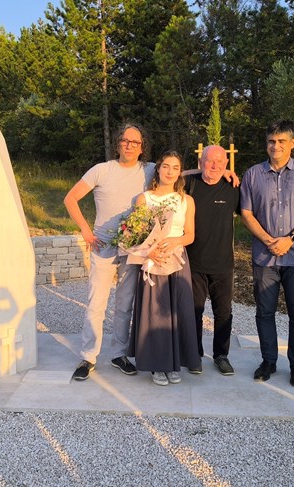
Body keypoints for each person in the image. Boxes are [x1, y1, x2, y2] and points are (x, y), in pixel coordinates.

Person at [239, 120, 294, 387]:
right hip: (265, 257)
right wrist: (269, 240)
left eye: (281, 141)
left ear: (293, 142)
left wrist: (290, 239)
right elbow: (246, 213)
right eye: (271, 141)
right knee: (264, 312)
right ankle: (268, 361)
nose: (275, 146)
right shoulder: (253, 174)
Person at [64, 123, 155, 381]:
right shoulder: (101, 170)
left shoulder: (149, 170)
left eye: (135, 142)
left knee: (124, 304)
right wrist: (84, 228)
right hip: (103, 245)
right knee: (96, 302)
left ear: (141, 147)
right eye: (125, 140)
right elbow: (70, 198)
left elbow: (179, 172)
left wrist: (222, 168)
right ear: (118, 143)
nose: (129, 145)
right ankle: (88, 356)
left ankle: (119, 355)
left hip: (132, 247)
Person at [129, 151, 200, 385]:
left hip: (177, 260)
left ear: (180, 172)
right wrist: (151, 251)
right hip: (153, 261)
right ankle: (157, 364)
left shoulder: (185, 201)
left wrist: (176, 241)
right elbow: (136, 233)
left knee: (177, 312)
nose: (170, 172)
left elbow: (190, 234)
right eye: (166, 166)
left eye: (175, 167)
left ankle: (175, 363)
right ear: (158, 169)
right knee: (155, 314)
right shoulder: (144, 199)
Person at [184, 145, 241, 376]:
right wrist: (192, 172)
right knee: (194, 312)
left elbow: (249, 213)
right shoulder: (190, 185)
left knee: (223, 313)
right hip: (194, 263)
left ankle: (221, 355)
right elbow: (168, 175)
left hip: (223, 264)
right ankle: (194, 355)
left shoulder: (233, 187)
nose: (215, 166)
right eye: (209, 161)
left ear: (226, 165)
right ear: (200, 163)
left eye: (220, 162)